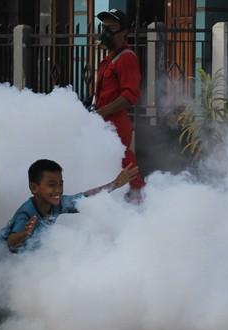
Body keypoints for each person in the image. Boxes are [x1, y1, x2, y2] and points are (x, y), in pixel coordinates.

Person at [0, 159, 138, 252]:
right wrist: (24, 234)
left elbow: (84, 198)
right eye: (51, 185)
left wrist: (115, 184)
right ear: (34, 187)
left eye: (61, 184)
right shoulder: (26, 212)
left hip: (29, 257)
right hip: (5, 260)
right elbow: (10, 242)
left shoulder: (58, 204)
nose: (58, 190)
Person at [94, 8, 145, 203]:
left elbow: (130, 95)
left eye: (111, 28)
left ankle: (144, 206)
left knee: (127, 168)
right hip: (104, 121)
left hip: (116, 123)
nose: (105, 31)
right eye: (104, 27)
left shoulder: (126, 57)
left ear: (124, 32)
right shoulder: (109, 58)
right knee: (108, 166)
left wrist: (101, 112)